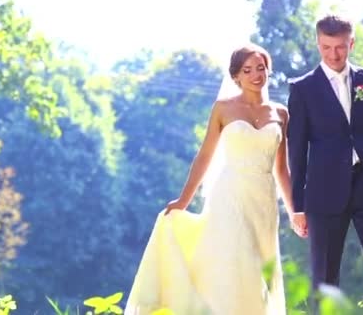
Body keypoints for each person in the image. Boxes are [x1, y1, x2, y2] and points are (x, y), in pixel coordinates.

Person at [124, 44, 293, 315]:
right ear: (236, 76)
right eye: (247, 70)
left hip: (263, 202)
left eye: (260, 68)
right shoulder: (223, 109)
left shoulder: (281, 113)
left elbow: (282, 170)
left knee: (260, 271)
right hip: (230, 195)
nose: (255, 75)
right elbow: (204, 156)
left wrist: (295, 211)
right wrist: (184, 200)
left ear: (268, 70)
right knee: (236, 265)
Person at [286, 14, 363, 311]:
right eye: (326, 47)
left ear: (351, 43)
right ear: (317, 43)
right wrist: (297, 206)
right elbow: (296, 152)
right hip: (323, 196)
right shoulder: (302, 88)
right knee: (324, 282)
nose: (333, 54)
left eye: (340, 47)